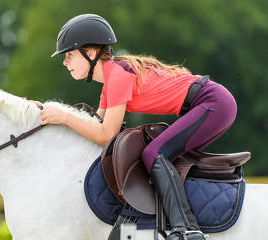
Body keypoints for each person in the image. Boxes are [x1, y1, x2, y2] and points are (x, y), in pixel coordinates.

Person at [32, 14, 237, 240]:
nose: (64, 62)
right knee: (161, 156)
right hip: (210, 103)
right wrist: (40, 111)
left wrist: (64, 117)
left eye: (69, 54)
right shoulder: (111, 81)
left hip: (213, 103)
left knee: (154, 153)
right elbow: (94, 123)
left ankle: (188, 229)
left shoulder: (118, 76)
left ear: (90, 53)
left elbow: (105, 135)